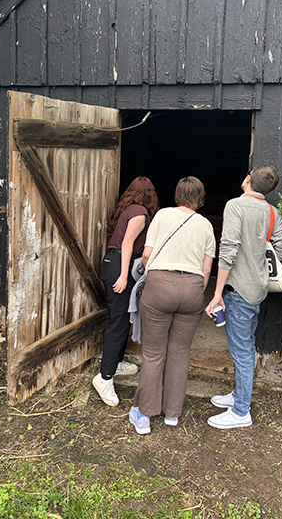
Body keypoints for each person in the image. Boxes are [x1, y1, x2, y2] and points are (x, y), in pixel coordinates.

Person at [204, 166, 282, 429]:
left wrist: (217, 294)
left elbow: (228, 250)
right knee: (246, 346)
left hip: (238, 290)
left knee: (241, 351)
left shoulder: (235, 206)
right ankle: (237, 396)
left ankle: (241, 412)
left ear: (248, 180)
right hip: (258, 290)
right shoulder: (273, 213)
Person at [128, 177, 216, 435]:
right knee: (180, 353)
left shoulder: (164, 215)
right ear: (200, 196)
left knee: (154, 354)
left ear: (178, 194)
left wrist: (149, 272)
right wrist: (195, 289)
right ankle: (172, 414)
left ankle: (144, 414)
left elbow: (146, 253)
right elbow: (206, 267)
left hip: (161, 284)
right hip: (192, 288)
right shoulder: (206, 225)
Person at [92, 177, 160, 407]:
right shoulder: (140, 212)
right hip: (121, 265)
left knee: (122, 318)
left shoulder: (127, 209)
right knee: (119, 321)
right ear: (150, 195)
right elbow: (128, 243)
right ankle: (104, 377)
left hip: (113, 263)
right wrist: (123, 276)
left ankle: (116, 362)